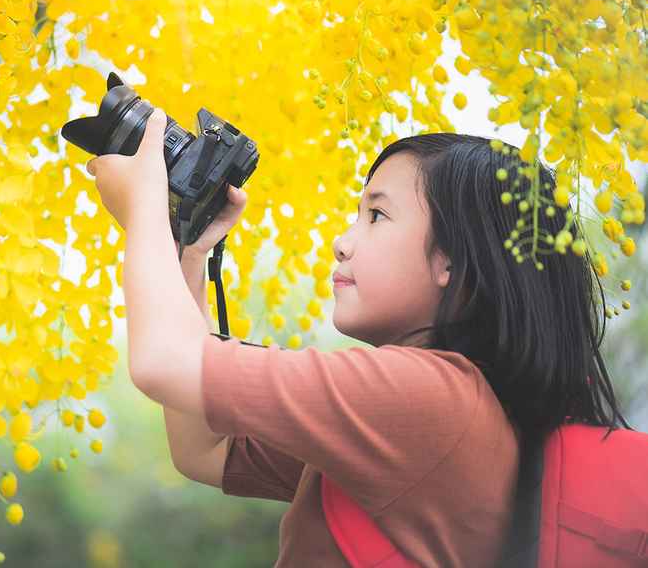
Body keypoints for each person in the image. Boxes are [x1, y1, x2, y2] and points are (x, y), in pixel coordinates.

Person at [87, 113, 634, 567]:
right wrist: (190, 252)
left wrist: (144, 212)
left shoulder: (425, 399)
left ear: (454, 261)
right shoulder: (446, 414)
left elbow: (164, 361)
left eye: (376, 215)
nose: (341, 243)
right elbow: (204, 449)